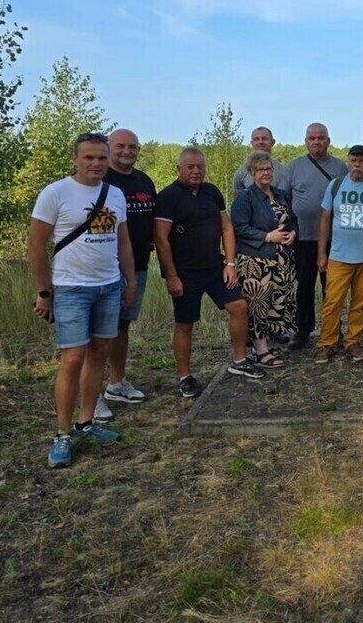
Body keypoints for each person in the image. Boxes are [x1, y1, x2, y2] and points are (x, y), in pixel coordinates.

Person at [28, 132, 136, 468]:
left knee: (99, 353)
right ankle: (62, 434)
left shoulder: (115, 194)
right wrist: (45, 291)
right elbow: (35, 244)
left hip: (108, 286)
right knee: (72, 358)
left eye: (102, 158)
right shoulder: (56, 193)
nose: (96, 164)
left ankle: (86, 422)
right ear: (75, 159)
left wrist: (129, 281)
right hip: (71, 288)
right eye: (89, 157)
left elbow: (124, 243)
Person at [153, 147, 266, 398]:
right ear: (179, 168)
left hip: (215, 267)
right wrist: (171, 276)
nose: (196, 171)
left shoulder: (211, 192)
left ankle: (239, 360)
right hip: (185, 272)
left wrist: (230, 263)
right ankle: (185, 376)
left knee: (239, 306)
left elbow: (226, 228)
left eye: (200, 167)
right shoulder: (169, 197)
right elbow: (161, 239)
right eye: (190, 167)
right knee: (185, 324)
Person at [93, 128, 157, 424]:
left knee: (122, 326)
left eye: (132, 147)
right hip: (104, 269)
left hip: (138, 266)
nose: (127, 152)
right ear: (109, 147)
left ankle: (116, 383)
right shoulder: (99, 180)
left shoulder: (144, 181)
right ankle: (91, 395)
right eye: (120, 146)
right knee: (98, 333)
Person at [315, 145, 363, 364]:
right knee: (332, 302)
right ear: (347, 162)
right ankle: (327, 344)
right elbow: (324, 219)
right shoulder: (336, 186)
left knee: (360, 303)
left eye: (362, 161)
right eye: (354, 161)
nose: (358, 165)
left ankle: (352, 343)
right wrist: (321, 253)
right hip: (339, 256)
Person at [230, 149, 299, 368]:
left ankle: (268, 345)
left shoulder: (280, 194)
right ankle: (260, 351)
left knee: (274, 304)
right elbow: (239, 228)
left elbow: (292, 219)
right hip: (256, 261)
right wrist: (268, 236)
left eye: (268, 168)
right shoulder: (245, 198)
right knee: (258, 305)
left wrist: (293, 233)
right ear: (251, 172)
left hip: (281, 260)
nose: (265, 173)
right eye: (260, 169)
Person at [282, 123, 348, 350]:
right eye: (312, 138)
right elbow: (284, 200)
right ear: (305, 141)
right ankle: (303, 330)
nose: (316, 142)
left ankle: (333, 330)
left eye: (321, 138)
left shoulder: (340, 168)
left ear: (328, 141)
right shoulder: (294, 168)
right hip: (303, 238)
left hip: (334, 239)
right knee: (304, 286)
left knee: (332, 287)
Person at [232, 126, 286, 198]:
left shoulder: (283, 172)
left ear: (273, 142)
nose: (260, 142)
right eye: (256, 139)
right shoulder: (241, 173)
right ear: (252, 143)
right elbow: (237, 201)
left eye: (265, 139)